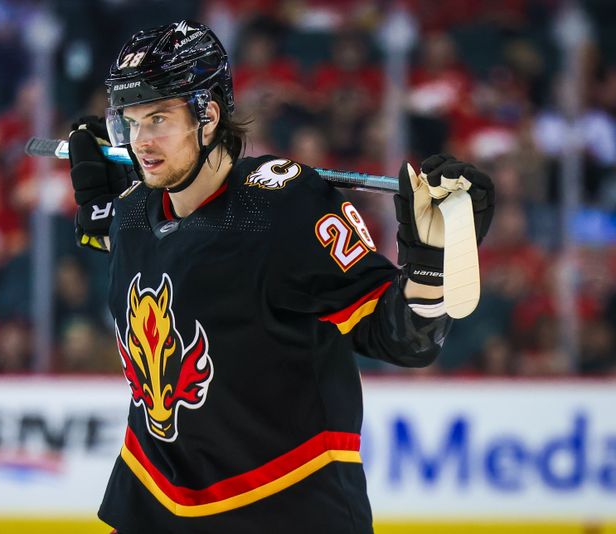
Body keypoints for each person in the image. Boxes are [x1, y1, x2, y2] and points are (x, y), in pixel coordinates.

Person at [67, 20, 495, 534]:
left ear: (208, 115)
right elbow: (168, 261)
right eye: (131, 122)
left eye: (158, 118)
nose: (141, 141)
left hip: (284, 508)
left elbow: (404, 339)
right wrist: (101, 213)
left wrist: (430, 264)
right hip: (153, 506)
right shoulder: (134, 211)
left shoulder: (281, 210)